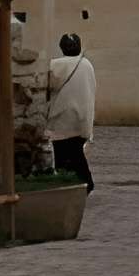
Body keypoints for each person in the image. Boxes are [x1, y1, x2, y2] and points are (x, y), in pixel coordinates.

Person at [46, 31, 95, 192]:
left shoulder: (55, 65)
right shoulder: (87, 64)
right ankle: (77, 183)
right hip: (82, 118)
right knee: (75, 151)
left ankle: (80, 183)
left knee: (63, 153)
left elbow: (47, 85)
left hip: (63, 119)